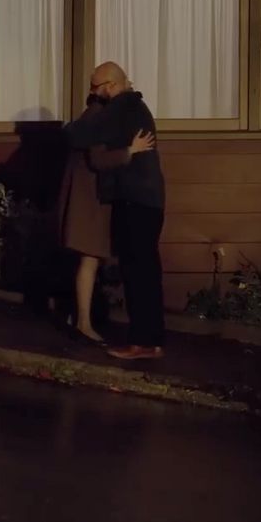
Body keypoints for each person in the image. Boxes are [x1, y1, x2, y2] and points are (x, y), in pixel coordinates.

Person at [64, 62, 167, 360]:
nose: (93, 94)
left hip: (136, 201)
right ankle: (151, 340)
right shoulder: (135, 106)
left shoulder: (122, 106)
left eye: (96, 88)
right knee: (146, 271)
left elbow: (79, 135)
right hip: (148, 201)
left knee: (137, 273)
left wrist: (71, 127)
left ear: (110, 86)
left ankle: (141, 344)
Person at [55, 94, 156, 346]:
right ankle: (83, 323)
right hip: (90, 201)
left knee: (88, 260)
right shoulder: (98, 117)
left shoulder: (93, 115)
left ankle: (78, 317)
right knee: (89, 259)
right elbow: (99, 159)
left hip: (89, 199)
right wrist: (131, 150)